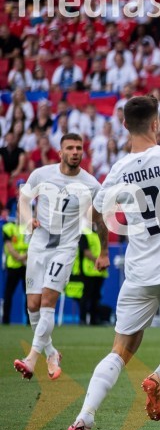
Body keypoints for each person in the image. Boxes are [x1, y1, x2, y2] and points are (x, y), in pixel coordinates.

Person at [67, 95, 160, 430]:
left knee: (120, 348)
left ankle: (84, 418)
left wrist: (103, 248)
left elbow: (95, 212)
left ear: (124, 127)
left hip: (139, 271)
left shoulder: (117, 169)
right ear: (156, 124)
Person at [14, 134, 107, 381]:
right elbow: (23, 199)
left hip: (64, 249)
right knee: (32, 305)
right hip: (39, 246)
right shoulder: (41, 175)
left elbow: (99, 220)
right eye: (70, 148)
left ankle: (31, 359)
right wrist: (26, 219)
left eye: (79, 148)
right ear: (60, 152)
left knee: (47, 302)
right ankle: (52, 353)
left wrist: (104, 252)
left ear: (83, 153)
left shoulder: (91, 184)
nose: (75, 152)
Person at [2, 217, 28, 324]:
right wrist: (19, 258)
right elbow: (9, 247)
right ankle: (5, 320)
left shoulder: (29, 227)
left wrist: (24, 257)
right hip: (13, 266)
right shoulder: (9, 227)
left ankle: (30, 321)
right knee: (8, 294)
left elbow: (34, 246)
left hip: (26, 266)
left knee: (29, 293)